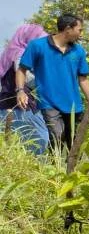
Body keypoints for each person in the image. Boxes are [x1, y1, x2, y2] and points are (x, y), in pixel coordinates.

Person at [16, 13, 89, 149]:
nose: (81, 34)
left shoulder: (79, 51)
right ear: (68, 29)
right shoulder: (38, 46)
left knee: (74, 144)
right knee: (56, 136)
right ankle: (54, 168)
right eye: (79, 30)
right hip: (48, 103)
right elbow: (21, 70)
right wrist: (20, 91)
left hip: (74, 105)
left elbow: (83, 79)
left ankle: (70, 169)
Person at [0, 24, 49, 154]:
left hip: (5, 105)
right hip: (23, 105)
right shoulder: (20, 54)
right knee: (40, 139)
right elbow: (25, 76)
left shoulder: (9, 53)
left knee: (12, 142)